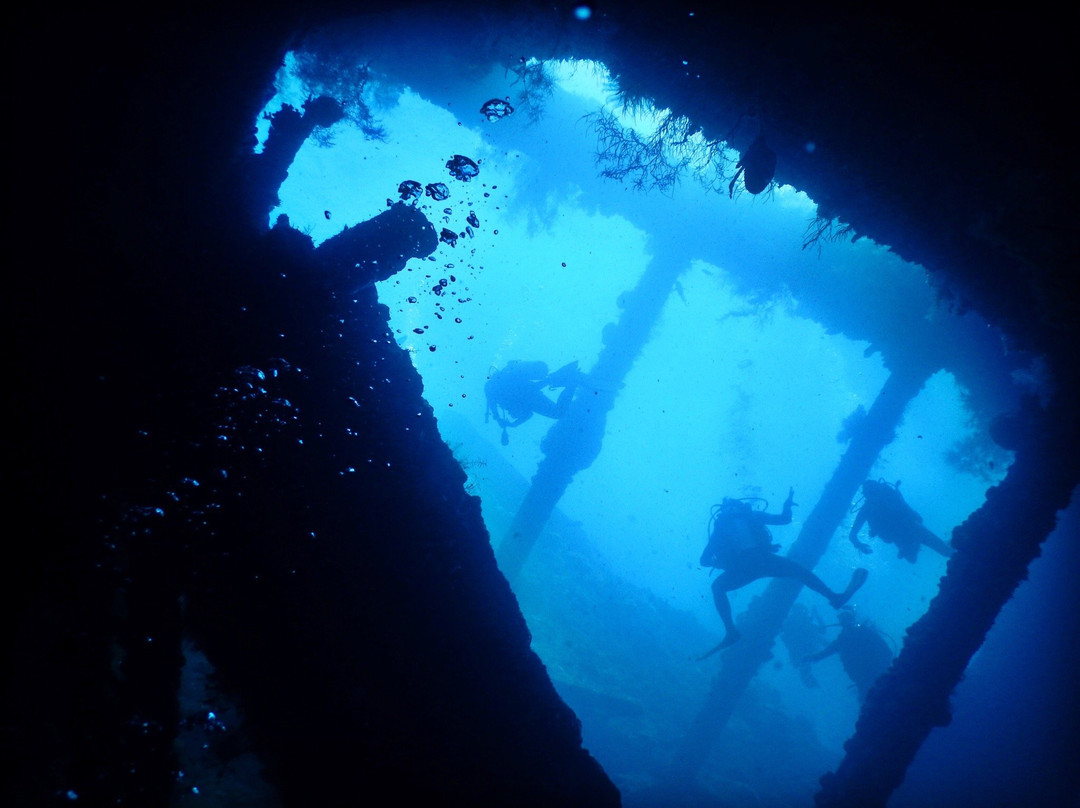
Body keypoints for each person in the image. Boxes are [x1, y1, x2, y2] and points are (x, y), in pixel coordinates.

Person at [699, 489, 868, 658]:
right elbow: (785, 519)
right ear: (740, 505)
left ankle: (730, 631)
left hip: (743, 568)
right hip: (765, 561)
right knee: (801, 572)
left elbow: (704, 561)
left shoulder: (720, 528)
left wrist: (723, 562)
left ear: (721, 511)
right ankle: (834, 597)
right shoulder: (751, 516)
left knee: (717, 587)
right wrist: (787, 505)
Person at [803, 607, 895, 703]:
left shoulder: (862, 633)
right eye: (842, 617)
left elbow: (887, 652)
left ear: (852, 618)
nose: (844, 620)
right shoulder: (844, 639)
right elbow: (824, 653)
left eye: (846, 617)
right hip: (865, 679)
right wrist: (810, 657)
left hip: (873, 675)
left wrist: (810, 658)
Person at [849, 479, 953, 563]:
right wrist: (859, 545)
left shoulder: (889, 496)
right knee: (912, 560)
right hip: (900, 535)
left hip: (912, 527)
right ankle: (914, 545)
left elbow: (852, 535)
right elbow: (852, 535)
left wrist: (859, 545)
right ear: (866, 496)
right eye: (871, 493)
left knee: (945, 550)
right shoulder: (867, 509)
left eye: (875, 491)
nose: (874, 496)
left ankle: (915, 545)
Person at [484, 359, 583, 445]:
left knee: (558, 413)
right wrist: (511, 424)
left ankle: (571, 381)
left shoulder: (497, 392)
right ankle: (571, 380)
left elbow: (526, 400)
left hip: (529, 394)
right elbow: (528, 412)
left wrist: (504, 421)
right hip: (531, 395)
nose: (511, 414)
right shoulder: (503, 396)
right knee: (558, 412)